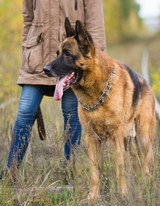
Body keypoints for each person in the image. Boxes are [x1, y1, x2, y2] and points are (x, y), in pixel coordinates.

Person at [0, 0, 106, 180]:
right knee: (25, 111)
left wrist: (96, 59)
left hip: (72, 60)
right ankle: (11, 172)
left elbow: (95, 23)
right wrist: (27, 48)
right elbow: (28, 18)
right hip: (37, 58)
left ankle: (69, 172)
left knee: (72, 114)